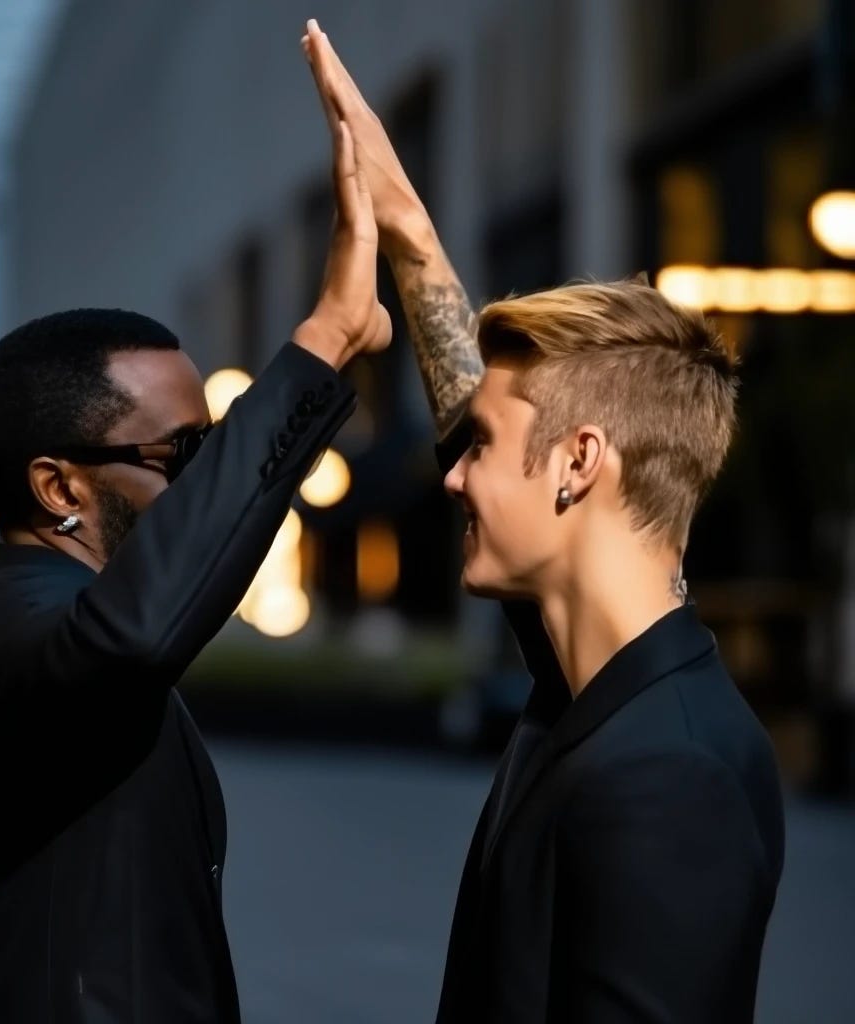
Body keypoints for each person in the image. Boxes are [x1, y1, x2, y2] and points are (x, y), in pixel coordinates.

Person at [303, 21, 785, 1023]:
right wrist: (406, 232)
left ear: (578, 464)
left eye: (480, 447)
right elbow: (474, 413)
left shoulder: (670, 772)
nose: (453, 479)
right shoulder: (594, 685)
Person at [0, 107, 390, 1023]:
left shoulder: (44, 619)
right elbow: (132, 640)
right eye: (181, 455)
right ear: (59, 489)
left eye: (215, 445)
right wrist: (325, 338)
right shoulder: (0, 633)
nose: (206, 479)